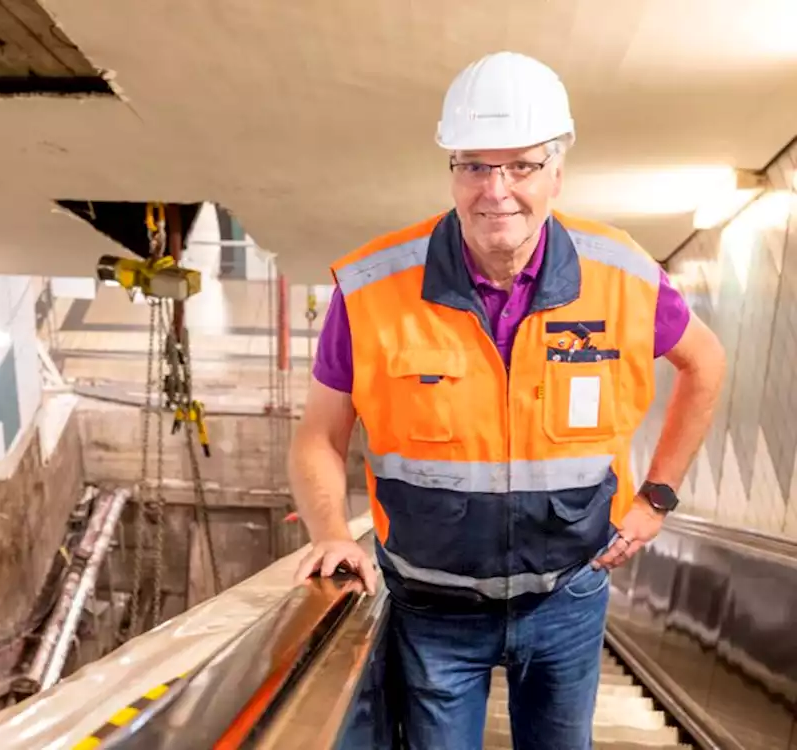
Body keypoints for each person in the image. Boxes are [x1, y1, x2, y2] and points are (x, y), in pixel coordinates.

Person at [288, 51, 727, 749]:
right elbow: (318, 434)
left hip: (569, 598)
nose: (497, 190)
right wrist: (331, 534)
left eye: (520, 165)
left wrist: (657, 500)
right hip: (432, 610)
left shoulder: (620, 276)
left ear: (557, 170)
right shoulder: (372, 290)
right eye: (474, 166)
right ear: (451, 171)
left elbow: (705, 365)